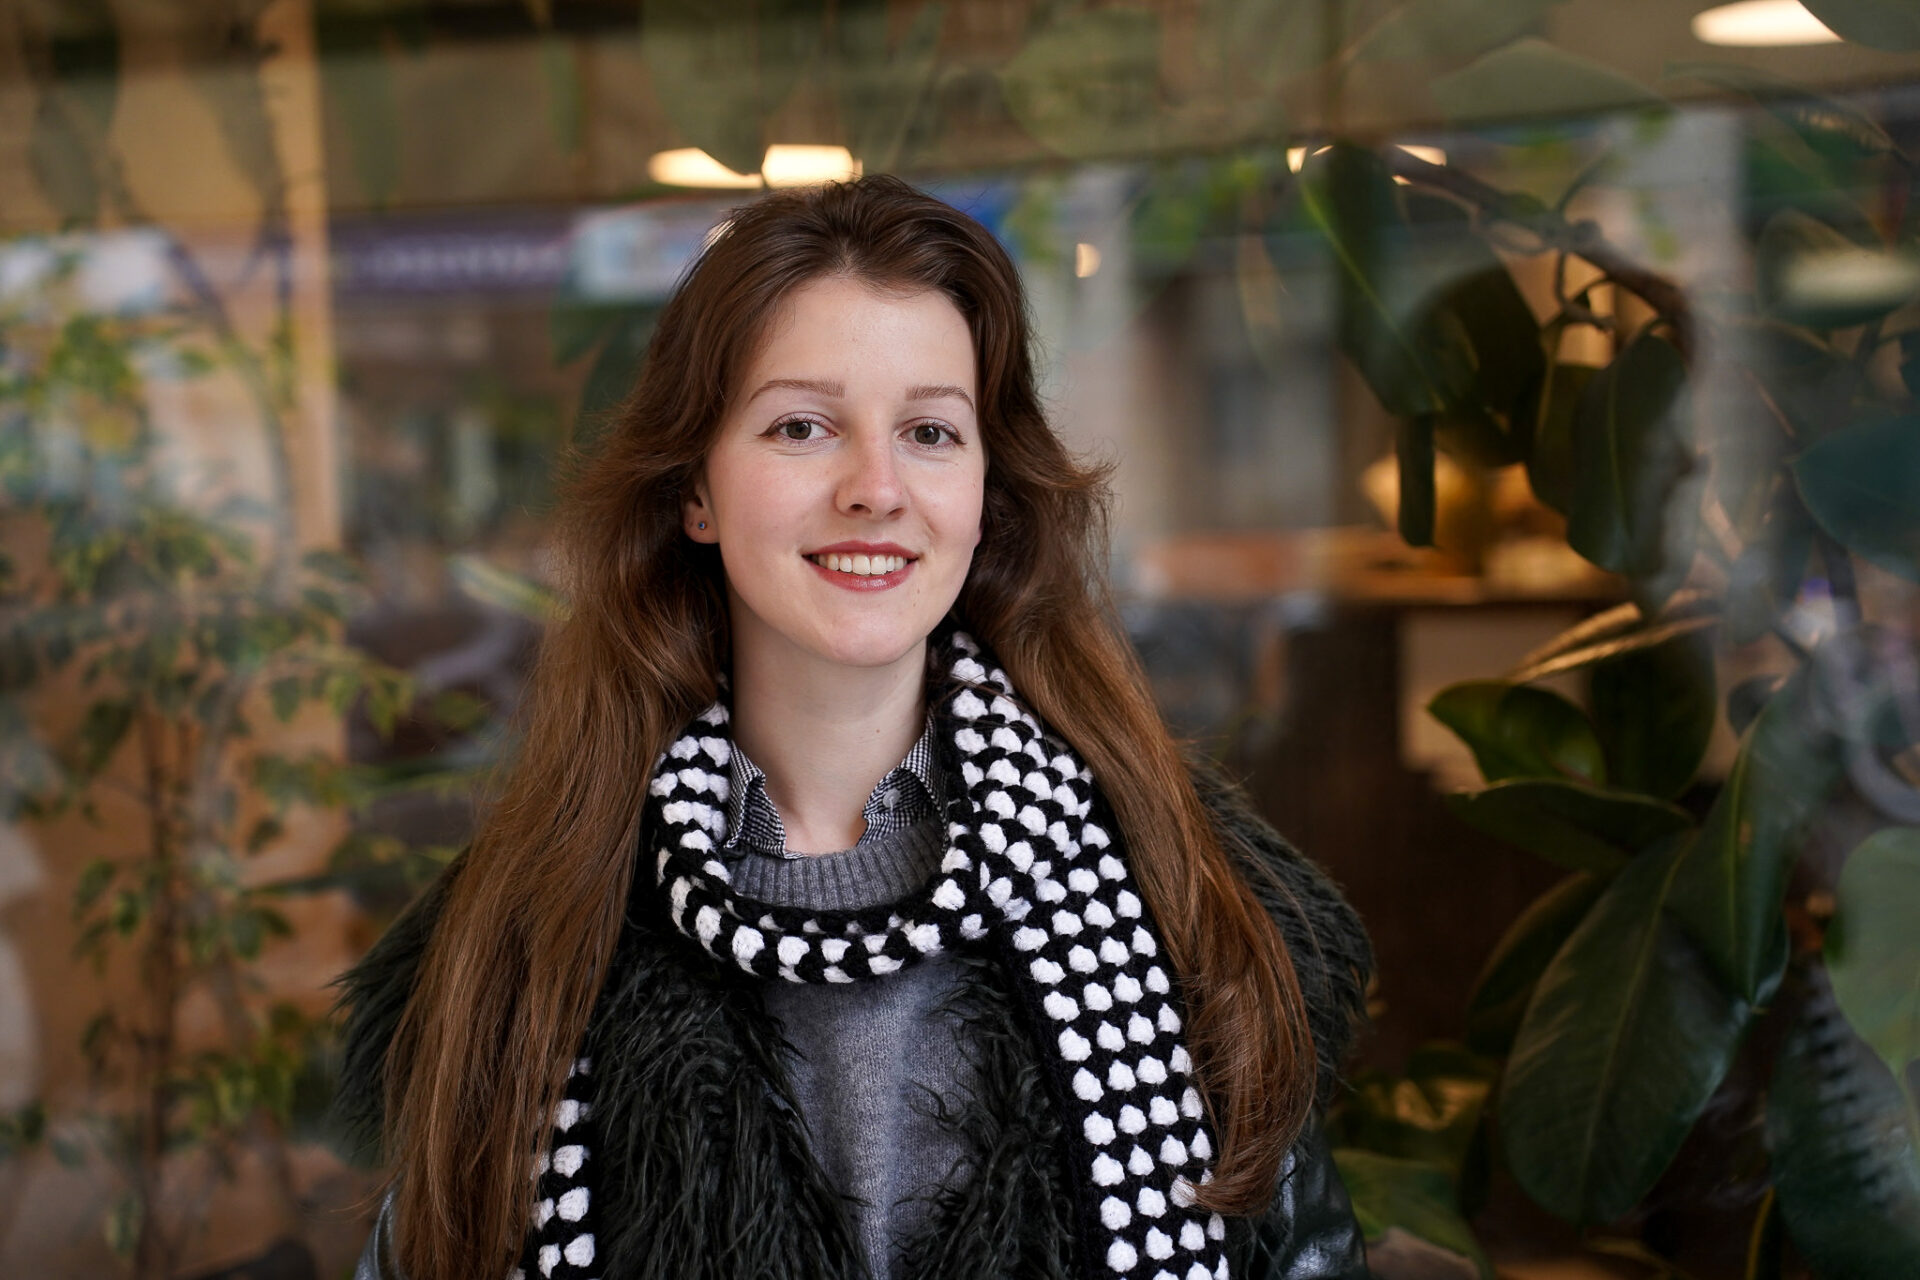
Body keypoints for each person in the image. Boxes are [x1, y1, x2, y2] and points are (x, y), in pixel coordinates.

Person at [334, 175, 1374, 1280]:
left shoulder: (1173, 875)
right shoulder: (529, 922)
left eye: (930, 430)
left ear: (985, 491)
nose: (877, 487)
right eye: (802, 426)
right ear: (697, 488)